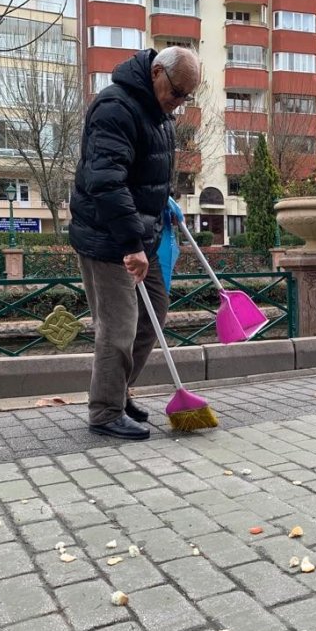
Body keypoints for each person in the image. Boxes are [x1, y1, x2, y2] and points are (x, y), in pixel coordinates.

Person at [69, 47, 201, 440]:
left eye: (186, 97)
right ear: (157, 72)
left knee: (153, 312)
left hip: (143, 234)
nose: (179, 102)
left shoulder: (158, 115)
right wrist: (131, 245)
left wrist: (164, 203)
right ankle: (104, 412)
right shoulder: (116, 107)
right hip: (107, 237)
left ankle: (118, 391)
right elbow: (107, 181)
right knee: (118, 326)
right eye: (176, 92)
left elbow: (145, 175)